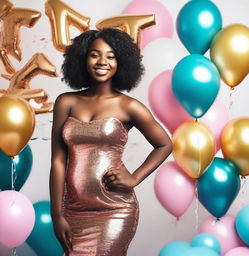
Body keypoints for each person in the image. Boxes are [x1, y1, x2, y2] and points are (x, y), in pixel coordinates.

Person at [50, 28, 172, 256]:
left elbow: (165, 144)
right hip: (73, 209)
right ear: (83, 58)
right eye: (94, 54)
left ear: (121, 62)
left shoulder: (129, 106)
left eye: (111, 56)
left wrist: (135, 177)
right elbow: (58, 162)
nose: (102, 61)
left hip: (115, 209)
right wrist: (57, 214)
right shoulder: (65, 102)